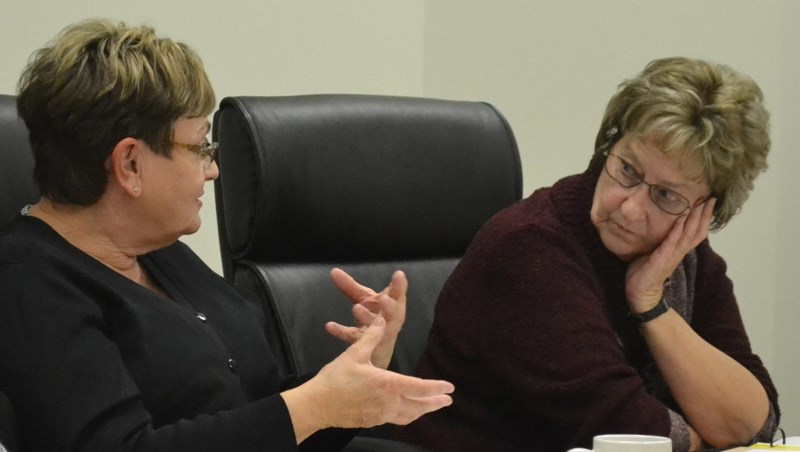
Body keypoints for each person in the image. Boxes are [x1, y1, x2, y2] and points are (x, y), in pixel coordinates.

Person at [0, 19, 454, 451]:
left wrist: (359, 375)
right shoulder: (29, 284)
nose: (213, 169)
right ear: (130, 164)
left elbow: (256, 417)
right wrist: (314, 406)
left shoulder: (159, 250)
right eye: (200, 147)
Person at [397, 57, 779, 451]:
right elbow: (633, 435)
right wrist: (712, 436)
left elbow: (755, 425)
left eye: (666, 195)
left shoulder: (683, 257)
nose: (630, 208)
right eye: (628, 170)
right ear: (608, 145)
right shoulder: (529, 249)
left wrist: (651, 305)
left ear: (705, 211)